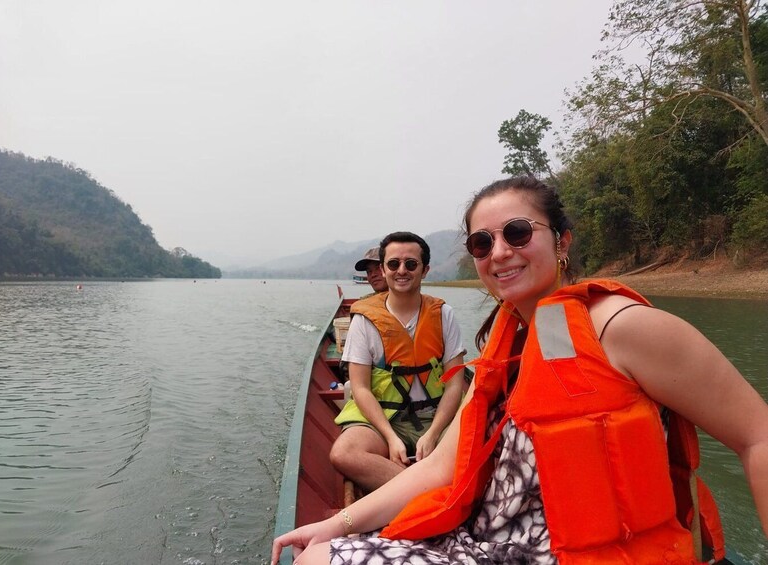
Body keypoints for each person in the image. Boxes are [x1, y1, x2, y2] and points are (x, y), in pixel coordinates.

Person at [272, 176, 768, 565]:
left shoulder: (623, 328)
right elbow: (444, 467)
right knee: (317, 554)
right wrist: (339, 523)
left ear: (562, 240)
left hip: (586, 555)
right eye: (482, 244)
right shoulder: (509, 343)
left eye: (517, 233)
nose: (500, 252)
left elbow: (757, 435)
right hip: (490, 545)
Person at [330, 231, 466, 493]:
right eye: (393, 264)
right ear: (384, 268)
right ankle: (430, 492)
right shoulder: (364, 320)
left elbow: (455, 384)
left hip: (436, 416)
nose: (401, 270)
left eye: (411, 264)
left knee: (481, 445)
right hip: (386, 419)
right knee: (344, 453)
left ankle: (410, 489)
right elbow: (360, 388)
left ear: (424, 270)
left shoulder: (443, 314)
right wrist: (391, 438)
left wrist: (434, 433)